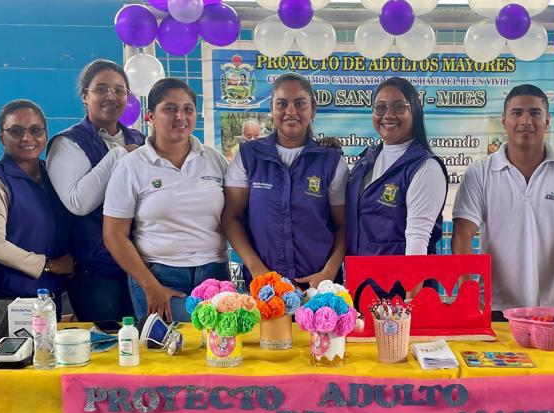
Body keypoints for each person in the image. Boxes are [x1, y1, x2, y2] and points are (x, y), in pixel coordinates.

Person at [451, 85, 554, 316]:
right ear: (504, 120)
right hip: (495, 307)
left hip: (549, 308)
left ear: (547, 121)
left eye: (535, 113)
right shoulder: (480, 173)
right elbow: (462, 234)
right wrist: (467, 296)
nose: (526, 121)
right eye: (517, 113)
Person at [103, 78, 230, 321]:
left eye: (188, 109)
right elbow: (114, 234)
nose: (180, 116)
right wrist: (150, 286)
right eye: (170, 108)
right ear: (151, 116)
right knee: (166, 345)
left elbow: (234, 218)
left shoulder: (215, 160)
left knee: (217, 344)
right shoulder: (131, 166)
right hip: (158, 275)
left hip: (214, 275)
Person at [221, 74, 347, 286]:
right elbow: (231, 217)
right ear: (272, 109)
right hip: (264, 285)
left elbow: (343, 226)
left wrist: (329, 272)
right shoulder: (248, 156)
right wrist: (257, 269)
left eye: (300, 103)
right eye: (282, 104)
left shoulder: (331, 161)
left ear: (313, 109)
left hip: (319, 286)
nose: (291, 111)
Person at [46, 59, 144, 323]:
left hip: (141, 265)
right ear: (85, 96)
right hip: (96, 270)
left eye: (119, 90)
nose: (111, 96)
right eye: (101, 89)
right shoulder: (68, 143)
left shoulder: (139, 140)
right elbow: (78, 203)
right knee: (111, 340)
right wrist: (120, 155)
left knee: (147, 340)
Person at [0, 99, 74, 305]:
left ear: (45, 134)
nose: (27, 138)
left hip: (51, 296)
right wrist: (49, 265)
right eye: (16, 131)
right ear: (1, 136)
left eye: (35, 130)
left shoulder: (53, 175)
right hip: (10, 299)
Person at [345, 77, 448, 256]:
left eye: (399, 107)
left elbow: (418, 241)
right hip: (360, 273)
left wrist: (410, 277)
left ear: (414, 111)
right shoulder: (367, 160)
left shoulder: (426, 168)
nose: (388, 115)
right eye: (380, 107)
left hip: (400, 275)